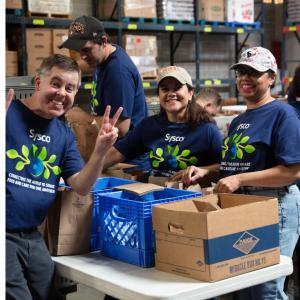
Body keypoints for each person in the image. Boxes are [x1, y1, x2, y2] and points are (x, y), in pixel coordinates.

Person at [179, 46, 300, 300]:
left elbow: (292, 171)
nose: (245, 78)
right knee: (243, 285)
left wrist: (239, 179)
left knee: (266, 288)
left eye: (253, 72)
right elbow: (235, 167)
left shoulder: (283, 114)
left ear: (271, 78)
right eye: (241, 72)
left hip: (274, 205)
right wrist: (206, 171)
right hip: (243, 205)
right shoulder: (239, 120)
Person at [6, 54, 122, 300]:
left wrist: (100, 151)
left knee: (51, 294)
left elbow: (81, 186)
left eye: (70, 88)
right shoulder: (7, 113)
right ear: (38, 83)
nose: (62, 93)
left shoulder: (63, 134)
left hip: (31, 235)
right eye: (56, 84)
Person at [58, 15, 149, 170]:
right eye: (79, 51)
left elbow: (120, 128)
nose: (83, 56)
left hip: (127, 164)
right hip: (112, 154)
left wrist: (83, 117)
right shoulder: (104, 57)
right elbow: (82, 62)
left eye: (86, 50)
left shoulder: (117, 72)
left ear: (104, 41)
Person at [102, 65, 223, 178]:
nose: (171, 94)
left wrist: (203, 170)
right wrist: (87, 171)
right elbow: (116, 153)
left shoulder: (207, 130)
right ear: (159, 95)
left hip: (192, 197)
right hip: (158, 195)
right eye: (165, 89)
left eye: (177, 88)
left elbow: (223, 166)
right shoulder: (149, 126)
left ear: (190, 93)